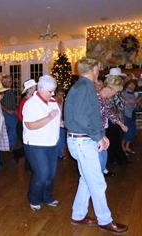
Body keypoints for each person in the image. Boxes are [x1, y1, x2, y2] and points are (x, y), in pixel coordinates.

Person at [64, 57, 128, 234]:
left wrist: (100, 136)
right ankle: (105, 220)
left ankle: (78, 215)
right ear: (93, 69)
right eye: (98, 68)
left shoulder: (80, 86)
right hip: (83, 141)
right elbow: (82, 117)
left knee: (86, 179)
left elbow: (86, 116)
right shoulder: (85, 87)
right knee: (98, 183)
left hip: (80, 139)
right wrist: (98, 136)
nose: (99, 71)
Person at [22, 75, 60, 211]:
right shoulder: (31, 103)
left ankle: (46, 196)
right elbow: (30, 125)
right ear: (41, 89)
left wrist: (59, 122)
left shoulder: (52, 101)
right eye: (50, 91)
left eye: (54, 91)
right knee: (42, 173)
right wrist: (49, 117)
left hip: (51, 143)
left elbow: (55, 118)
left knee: (50, 174)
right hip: (35, 144)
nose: (53, 93)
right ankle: (33, 198)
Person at [96, 76, 128, 177]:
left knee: (103, 154)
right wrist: (100, 135)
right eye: (115, 91)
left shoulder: (106, 99)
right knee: (99, 156)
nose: (115, 94)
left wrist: (120, 124)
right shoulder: (96, 98)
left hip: (101, 131)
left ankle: (100, 174)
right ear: (110, 88)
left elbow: (109, 113)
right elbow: (92, 119)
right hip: (95, 133)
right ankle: (98, 177)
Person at [13, 79, 37, 171]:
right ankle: (28, 166)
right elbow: (20, 116)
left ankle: (28, 166)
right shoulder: (25, 101)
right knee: (29, 147)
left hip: (26, 126)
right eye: (34, 88)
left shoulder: (31, 100)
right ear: (29, 90)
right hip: (23, 126)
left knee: (29, 147)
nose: (36, 90)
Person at [122, 79, 142, 154]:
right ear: (127, 85)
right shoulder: (123, 92)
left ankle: (127, 146)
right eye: (130, 84)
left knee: (132, 130)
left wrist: (137, 103)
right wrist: (135, 101)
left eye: (133, 85)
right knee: (128, 130)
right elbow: (120, 103)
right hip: (125, 114)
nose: (132, 86)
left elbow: (133, 103)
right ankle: (123, 147)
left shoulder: (133, 94)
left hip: (130, 114)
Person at [1, 74, 18, 150]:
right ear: (4, 82)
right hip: (5, 112)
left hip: (12, 112)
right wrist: (7, 110)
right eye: (10, 82)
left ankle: (6, 145)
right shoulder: (2, 91)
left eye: (11, 81)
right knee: (14, 126)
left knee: (8, 128)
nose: (11, 83)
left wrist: (15, 110)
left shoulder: (9, 90)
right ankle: (10, 145)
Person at [54, 86, 67, 159]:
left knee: (63, 138)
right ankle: (59, 153)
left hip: (62, 122)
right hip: (55, 122)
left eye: (62, 95)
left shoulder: (63, 100)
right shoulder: (52, 100)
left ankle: (59, 152)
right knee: (58, 139)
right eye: (59, 94)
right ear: (56, 93)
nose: (60, 96)